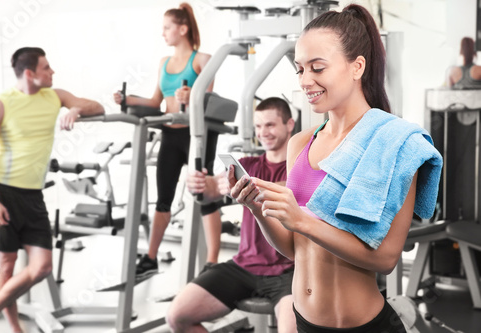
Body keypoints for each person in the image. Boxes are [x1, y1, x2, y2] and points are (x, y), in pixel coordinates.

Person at [228, 5, 443, 333]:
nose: (305, 80)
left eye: (317, 67)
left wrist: (302, 220)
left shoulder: (394, 143)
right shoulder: (300, 144)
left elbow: (386, 260)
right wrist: (258, 209)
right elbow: (292, 248)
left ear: (357, 67)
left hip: (362, 326)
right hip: (305, 321)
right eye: (300, 69)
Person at [0, 47, 105, 333]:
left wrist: (74, 109)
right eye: (46, 68)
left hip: (33, 197)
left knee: (42, 267)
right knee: (6, 266)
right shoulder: (0, 104)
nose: (52, 72)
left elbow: (97, 106)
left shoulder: (55, 96)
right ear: (30, 74)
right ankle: (13, 328)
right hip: (3, 192)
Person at [166, 97, 297, 333]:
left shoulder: (300, 166)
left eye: (269, 125)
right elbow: (212, 190)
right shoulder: (247, 164)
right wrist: (199, 185)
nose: (263, 132)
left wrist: (254, 187)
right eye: (258, 126)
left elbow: (291, 188)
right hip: (243, 266)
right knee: (177, 317)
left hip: (288, 270)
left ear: (289, 125)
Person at [113, 2, 221, 277]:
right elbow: (155, 101)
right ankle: (151, 258)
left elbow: (208, 101)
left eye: (167, 28)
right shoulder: (164, 63)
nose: (163, 33)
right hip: (170, 135)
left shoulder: (202, 60)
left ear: (182, 29)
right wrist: (127, 100)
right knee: (164, 198)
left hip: (197, 134)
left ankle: (212, 262)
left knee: (204, 193)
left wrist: (192, 95)